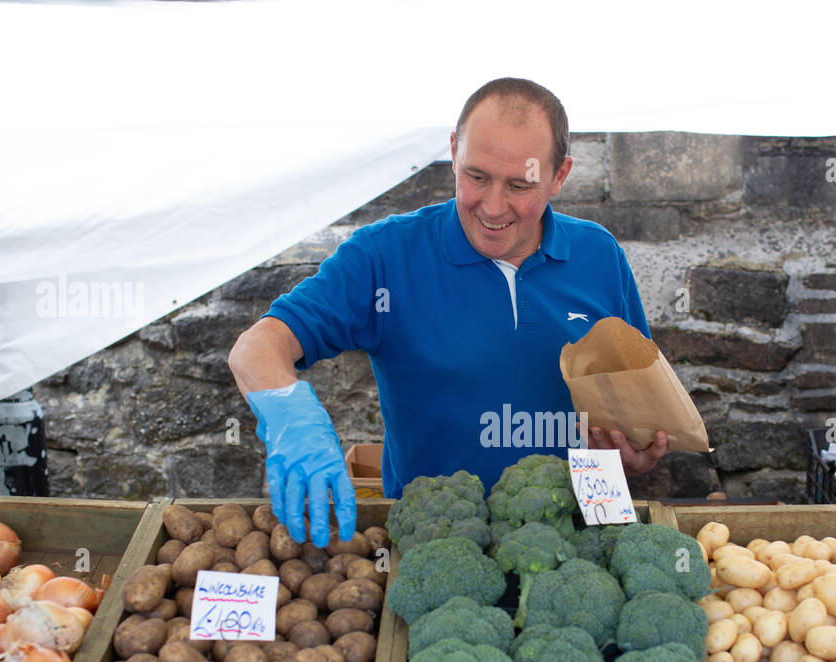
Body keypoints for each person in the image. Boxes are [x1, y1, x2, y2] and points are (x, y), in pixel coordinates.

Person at [229, 77, 668, 547]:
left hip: (580, 546)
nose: (493, 207)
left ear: (560, 175)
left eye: (520, 184)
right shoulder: (385, 256)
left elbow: (636, 405)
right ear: (454, 150)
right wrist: (291, 414)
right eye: (476, 176)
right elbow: (257, 347)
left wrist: (634, 455)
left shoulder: (600, 255)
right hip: (435, 548)